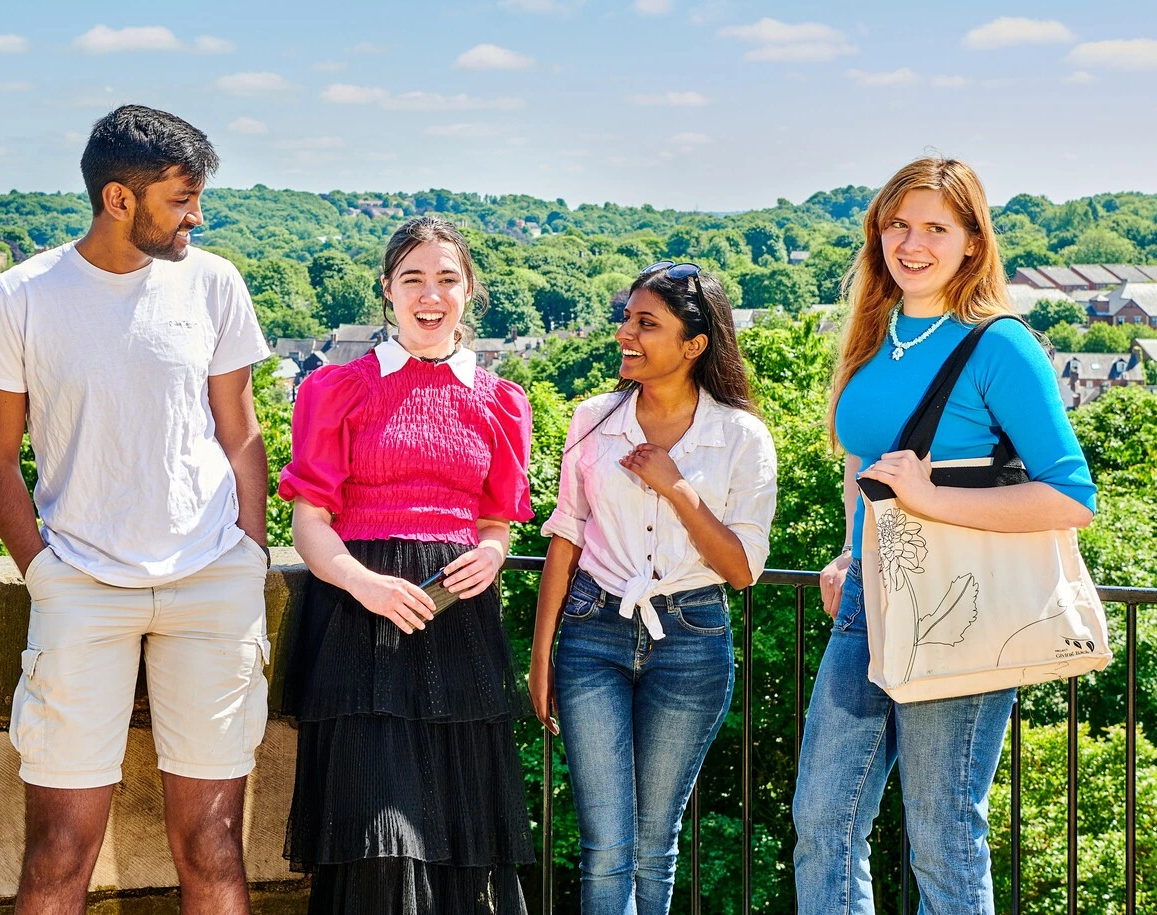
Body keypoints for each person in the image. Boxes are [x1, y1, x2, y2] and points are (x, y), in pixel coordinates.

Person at [0, 104, 272, 915]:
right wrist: (46, 575)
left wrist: (250, 554)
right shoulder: (20, 295)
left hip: (213, 584)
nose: (196, 217)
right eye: (181, 199)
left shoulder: (214, 283)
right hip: (81, 590)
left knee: (212, 848)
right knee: (58, 854)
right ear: (118, 199)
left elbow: (240, 433)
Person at [792, 157, 1097, 915]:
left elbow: (1069, 496)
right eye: (897, 223)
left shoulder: (999, 343)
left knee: (941, 830)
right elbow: (864, 462)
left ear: (970, 242)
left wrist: (929, 497)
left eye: (935, 226)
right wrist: (848, 545)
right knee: (822, 819)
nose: (912, 242)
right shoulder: (873, 335)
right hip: (869, 598)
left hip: (956, 606)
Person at [279, 215, 536, 914]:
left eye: (446, 279)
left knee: (460, 833)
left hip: (458, 624)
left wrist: (490, 551)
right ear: (387, 290)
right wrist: (363, 584)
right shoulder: (334, 388)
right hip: (361, 621)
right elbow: (309, 522)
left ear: (469, 291)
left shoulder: (501, 401)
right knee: (378, 833)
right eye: (413, 279)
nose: (431, 294)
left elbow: (495, 520)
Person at [527, 263, 777, 914]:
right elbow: (566, 536)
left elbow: (743, 569)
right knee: (605, 845)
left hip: (690, 644)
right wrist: (540, 654)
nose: (624, 334)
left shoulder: (740, 438)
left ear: (694, 344)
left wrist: (678, 488)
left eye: (646, 323)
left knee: (651, 842)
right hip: (591, 633)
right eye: (626, 318)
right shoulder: (590, 420)